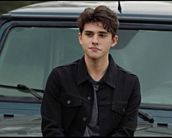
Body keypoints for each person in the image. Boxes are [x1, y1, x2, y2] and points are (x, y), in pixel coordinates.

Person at [40, 5, 141, 137]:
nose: (94, 41)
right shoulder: (59, 77)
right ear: (80, 38)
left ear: (114, 40)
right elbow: (51, 128)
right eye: (89, 34)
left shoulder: (130, 84)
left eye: (102, 35)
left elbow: (126, 132)